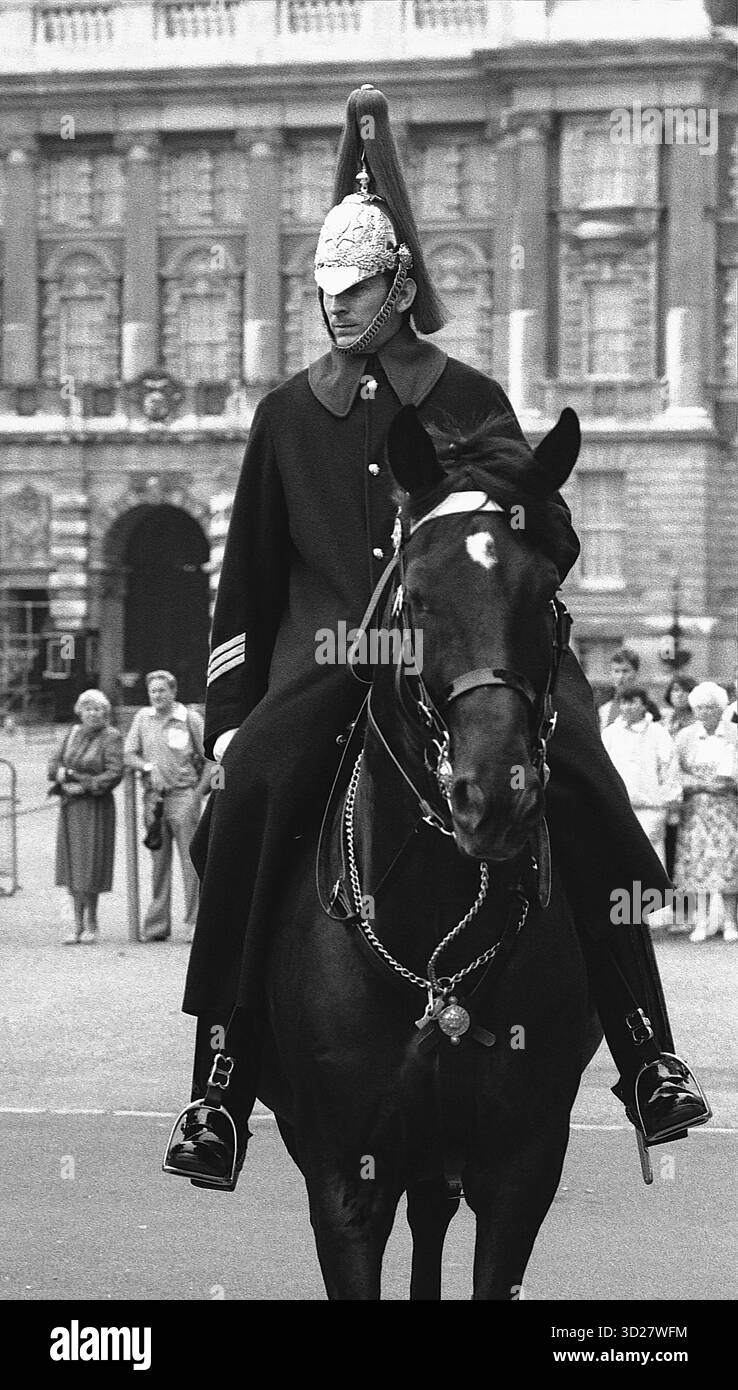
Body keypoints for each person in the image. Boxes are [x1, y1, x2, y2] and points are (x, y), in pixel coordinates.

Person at [163, 84, 709, 1192]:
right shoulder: (284, 416)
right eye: (325, 293)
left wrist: (507, 513)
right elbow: (247, 585)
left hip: (471, 653)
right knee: (248, 799)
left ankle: (646, 1047)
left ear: (399, 285)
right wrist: (227, 720)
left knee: (589, 786)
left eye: (355, 290)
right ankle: (219, 1075)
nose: (335, 311)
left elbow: (541, 525)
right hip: (336, 667)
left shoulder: (468, 396)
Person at [124, 671, 210, 943]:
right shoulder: (143, 718)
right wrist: (148, 767)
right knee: (158, 863)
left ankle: (196, 922)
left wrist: (198, 794)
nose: (157, 696)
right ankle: (157, 925)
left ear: (173, 691)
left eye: (162, 690)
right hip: (154, 800)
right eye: (153, 691)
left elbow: (212, 758)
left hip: (184, 795)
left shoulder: (190, 719)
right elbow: (129, 754)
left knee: (190, 861)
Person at [47, 689, 124, 944]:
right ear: (80, 711)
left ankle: (92, 922)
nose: (93, 713)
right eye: (88, 708)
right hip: (71, 806)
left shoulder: (111, 736)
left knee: (90, 866)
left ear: (106, 712)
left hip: (95, 807)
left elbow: (114, 772)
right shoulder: (72, 733)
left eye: (99, 709)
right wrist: (63, 777)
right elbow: (53, 764)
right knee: (71, 867)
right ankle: (76, 924)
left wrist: (84, 784)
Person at [673, 682, 738, 943]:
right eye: (700, 708)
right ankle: (700, 920)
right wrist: (700, 784)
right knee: (698, 863)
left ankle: (730, 921)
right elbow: (674, 772)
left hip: (728, 806)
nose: (705, 712)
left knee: (729, 862)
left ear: (721, 708)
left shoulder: (735, 733)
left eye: (711, 707)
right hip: (697, 806)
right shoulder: (685, 736)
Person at [602, 686, 681, 868]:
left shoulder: (658, 733)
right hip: (618, 809)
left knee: (650, 863)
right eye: (624, 702)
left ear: (644, 705)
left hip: (650, 810)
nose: (628, 707)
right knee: (618, 861)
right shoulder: (610, 734)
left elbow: (670, 770)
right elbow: (602, 770)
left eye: (633, 703)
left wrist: (666, 803)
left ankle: (652, 896)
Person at [662, 675, 697, 879]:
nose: (680, 695)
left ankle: (683, 896)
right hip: (665, 788)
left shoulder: (697, 722)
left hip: (686, 790)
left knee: (682, 844)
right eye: (675, 690)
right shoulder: (664, 719)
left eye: (685, 690)